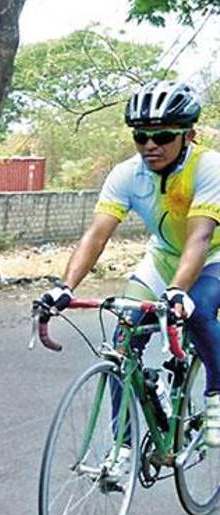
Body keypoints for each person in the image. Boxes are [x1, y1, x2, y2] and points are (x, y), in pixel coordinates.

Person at [38, 80, 220, 453]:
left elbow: (199, 238)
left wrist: (177, 292)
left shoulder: (210, 167)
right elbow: (96, 235)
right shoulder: (127, 175)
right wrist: (64, 287)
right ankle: (122, 447)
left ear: (189, 135)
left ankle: (217, 394)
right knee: (123, 340)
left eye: (163, 135)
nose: (150, 145)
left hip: (214, 256)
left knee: (198, 313)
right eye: (141, 137)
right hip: (163, 258)